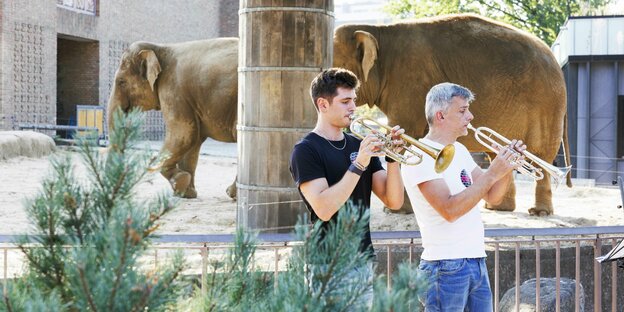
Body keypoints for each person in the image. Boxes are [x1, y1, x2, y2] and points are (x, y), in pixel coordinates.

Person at [401, 82, 526, 311]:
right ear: (440, 115)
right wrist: (493, 172)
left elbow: (492, 197)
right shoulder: (419, 155)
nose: (470, 115)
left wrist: (507, 167)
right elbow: (449, 210)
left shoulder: (459, 151)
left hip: (475, 260)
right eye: (462, 110)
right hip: (444, 266)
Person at [289, 67, 406, 308]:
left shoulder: (359, 143)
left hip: (362, 259)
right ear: (322, 104)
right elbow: (323, 208)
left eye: (353, 99)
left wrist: (393, 158)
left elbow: (394, 201)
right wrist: (359, 163)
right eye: (345, 101)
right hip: (328, 264)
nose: (353, 107)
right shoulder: (306, 150)